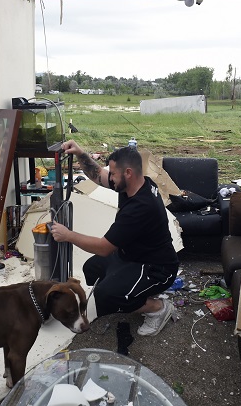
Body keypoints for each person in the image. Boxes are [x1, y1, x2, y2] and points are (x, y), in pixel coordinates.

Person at [50, 140, 178, 336]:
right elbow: (99, 175)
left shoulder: (140, 208)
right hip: (132, 256)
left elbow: (104, 247)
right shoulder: (136, 184)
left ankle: (158, 308)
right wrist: (80, 153)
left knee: (107, 296)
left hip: (157, 267)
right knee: (91, 269)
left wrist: (68, 235)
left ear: (128, 173)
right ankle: (136, 291)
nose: (109, 178)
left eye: (113, 174)